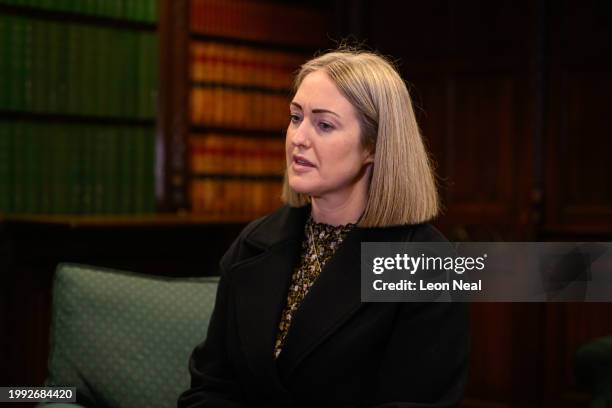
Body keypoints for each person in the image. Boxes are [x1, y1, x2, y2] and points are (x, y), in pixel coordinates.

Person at [178, 47, 469, 408]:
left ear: (374, 147)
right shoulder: (253, 243)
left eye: (324, 124)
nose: (298, 138)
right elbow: (208, 388)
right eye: (296, 117)